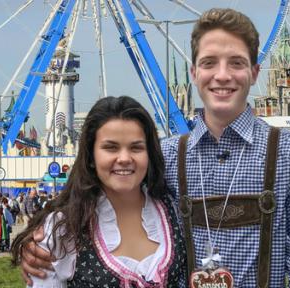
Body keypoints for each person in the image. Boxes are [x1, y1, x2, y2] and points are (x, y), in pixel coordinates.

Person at [19, 8, 290, 287]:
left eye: (236, 63)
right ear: (194, 73)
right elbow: (95, 193)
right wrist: (40, 242)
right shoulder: (165, 155)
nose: (222, 75)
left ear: (255, 73)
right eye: (209, 63)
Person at [11, 96, 187, 287]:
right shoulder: (64, 229)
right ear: (91, 156)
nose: (125, 158)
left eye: (136, 148)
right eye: (110, 148)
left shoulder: (172, 209)